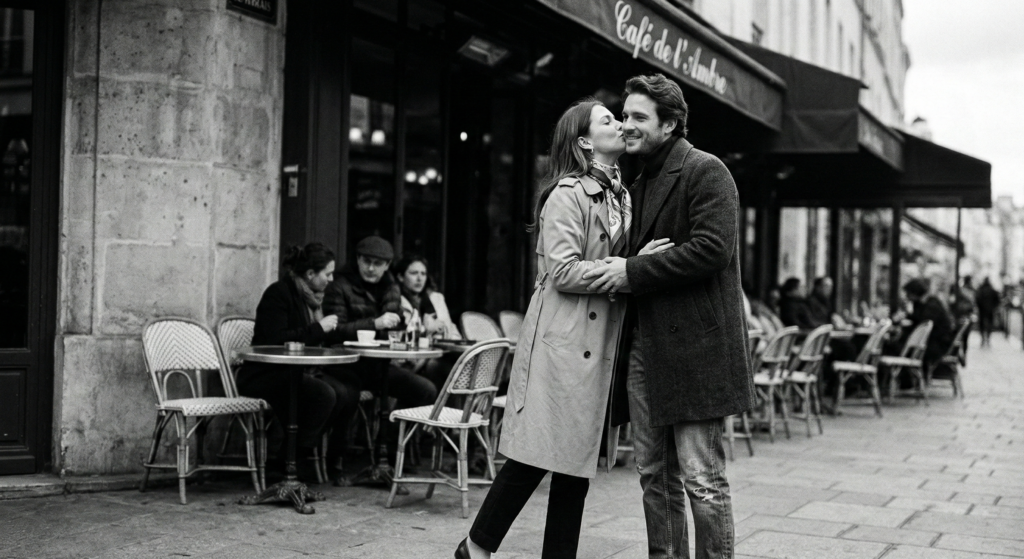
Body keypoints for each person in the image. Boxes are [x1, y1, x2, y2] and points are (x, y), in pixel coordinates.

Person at [455, 98, 673, 559]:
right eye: (609, 120)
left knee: (576, 465)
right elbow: (563, 272)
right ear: (584, 142)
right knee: (535, 458)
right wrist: (632, 268)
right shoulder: (567, 193)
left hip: (599, 345)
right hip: (564, 340)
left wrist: (639, 263)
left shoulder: (623, 194)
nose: (620, 124)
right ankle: (475, 548)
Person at [583, 73, 753, 559]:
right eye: (625, 115)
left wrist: (635, 269)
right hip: (646, 346)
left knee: (702, 479)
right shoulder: (638, 178)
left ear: (671, 123)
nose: (627, 125)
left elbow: (713, 249)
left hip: (697, 350)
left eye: (639, 117)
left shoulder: (706, 170)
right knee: (653, 473)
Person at [237, 242, 362, 481]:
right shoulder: (279, 293)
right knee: (324, 394)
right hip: (264, 374)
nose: (331, 279)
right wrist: (318, 329)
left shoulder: (313, 298)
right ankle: (285, 463)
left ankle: (302, 457)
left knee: (346, 390)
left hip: (295, 371)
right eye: (328, 273)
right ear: (310, 274)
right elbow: (274, 340)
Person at [323, 236, 438, 471]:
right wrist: (374, 323)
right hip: (346, 364)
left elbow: (394, 327)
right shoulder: (339, 285)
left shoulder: (390, 287)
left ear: (387, 265)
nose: (371, 268)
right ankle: (336, 461)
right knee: (348, 395)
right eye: (367, 261)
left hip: (379, 365)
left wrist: (397, 323)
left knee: (425, 390)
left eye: (378, 263)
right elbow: (334, 331)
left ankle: (389, 452)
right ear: (358, 259)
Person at [392, 254, 461, 391]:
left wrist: (446, 334)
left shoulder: (436, 298)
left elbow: (453, 332)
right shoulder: (396, 300)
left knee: (461, 365)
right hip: (411, 361)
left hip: (441, 354)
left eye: (423, 273)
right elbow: (399, 337)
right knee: (439, 367)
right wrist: (426, 330)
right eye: (413, 273)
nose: (419, 278)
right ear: (400, 277)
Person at [902, 278, 955, 370]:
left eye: (908, 293)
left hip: (936, 344)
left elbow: (922, 322)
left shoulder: (931, 305)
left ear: (915, 293)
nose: (907, 296)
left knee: (899, 347)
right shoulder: (924, 302)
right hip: (931, 341)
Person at [976, 277, 1000, 347]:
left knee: (981, 325)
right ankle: (988, 338)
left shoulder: (981, 290)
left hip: (982, 310)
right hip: (990, 310)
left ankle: (983, 338)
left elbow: (977, 299)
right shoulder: (992, 290)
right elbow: (997, 300)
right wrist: (994, 307)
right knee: (989, 324)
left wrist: (979, 307)